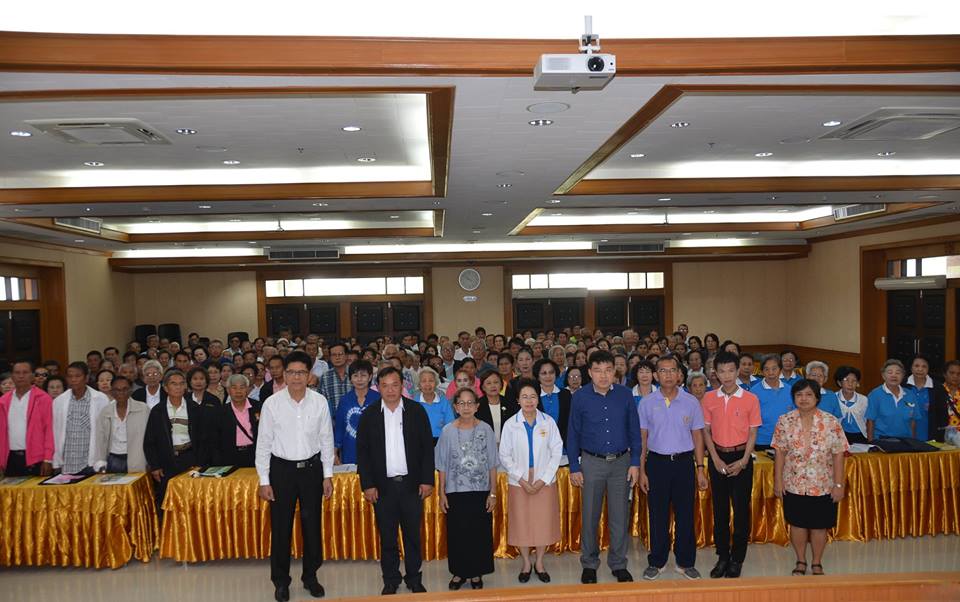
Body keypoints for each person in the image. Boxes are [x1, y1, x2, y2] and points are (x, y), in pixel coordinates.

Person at [255, 350, 335, 602]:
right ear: (283, 374)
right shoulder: (272, 404)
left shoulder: (319, 402)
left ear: (309, 375)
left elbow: (326, 439)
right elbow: (263, 444)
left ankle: (310, 577)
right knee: (281, 528)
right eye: (291, 372)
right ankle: (281, 581)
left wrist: (327, 475)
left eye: (301, 372)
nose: (296, 377)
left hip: (311, 471)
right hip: (282, 472)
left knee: (312, 527)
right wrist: (264, 480)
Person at [356, 366, 435, 595]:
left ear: (402, 386)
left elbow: (426, 449)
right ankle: (390, 579)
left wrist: (427, 480)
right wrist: (368, 484)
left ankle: (414, 578)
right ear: (378, 388)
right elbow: (363, 453)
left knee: (412, 536)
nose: (390, 390)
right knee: (388, 537)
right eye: (385, 385)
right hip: (383, 488)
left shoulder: (416, 411)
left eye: (395, 385)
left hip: (411, 485)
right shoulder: (369, 415)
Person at [567, 350, 642, 584]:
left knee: (620, 516)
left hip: (621, 463)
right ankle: (589, 564)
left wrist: (635, 462)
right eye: (598, 370)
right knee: (590, 515)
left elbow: (634, 431)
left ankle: (618, 564)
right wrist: (574, 466)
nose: (603, 375)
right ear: (589, 372)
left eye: (608, 370)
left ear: (614, 372)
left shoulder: (625, 394)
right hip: (591, 463)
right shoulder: (580, 397)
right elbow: (573, 433)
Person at [638, 355, 709, 581]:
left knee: (685, 514)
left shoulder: (691, 402)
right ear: (656, 375)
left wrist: (700, 468)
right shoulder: (646, 402)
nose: (668, 375)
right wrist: (642, 471)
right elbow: (642, 439)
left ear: (679, 374)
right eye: (663, 370)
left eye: (672, 370)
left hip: (683, 463)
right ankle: (657, 561)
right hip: (656, 464)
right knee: (657, 515)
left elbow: (697, 436)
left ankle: (685, 562)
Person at [773, 379, 848, 576]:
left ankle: (816, 562)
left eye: (808, 395)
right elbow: (780, 452)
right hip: (794, 483)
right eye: (799, 395)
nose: (803, 399)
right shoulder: (784, 421)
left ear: (817, 398)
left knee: (819, 526)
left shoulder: (830, 422)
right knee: (797, 524)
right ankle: (800, 560)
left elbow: (838, 454)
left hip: (823, 484)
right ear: (793, 398)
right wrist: (778, 481)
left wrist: (839, 485)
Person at [700, 352, 761, 579]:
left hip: (741, 457)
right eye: (722, 371)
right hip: (718, 457)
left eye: (731, 371)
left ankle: (737, 558)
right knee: (720, 510)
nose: (726, 375)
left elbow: (753, 432)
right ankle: (723, 556)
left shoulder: (750, 399)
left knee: (741, 510)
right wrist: (714, 459)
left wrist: (744, 461)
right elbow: (706, 431)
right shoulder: (709, 398)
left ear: (738, 371)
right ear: (715, 373)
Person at [499, 378, 563, 585]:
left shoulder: (548, 422)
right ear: (518, 400)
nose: (529, 401)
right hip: (519, 481)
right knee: (522, 523)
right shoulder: (511, 424)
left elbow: (557, 451)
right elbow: (504, 455)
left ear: (538, 398)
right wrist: (522, 479)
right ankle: (526, 563)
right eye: (524, 397)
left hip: (544, 480)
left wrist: (543, 479)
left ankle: (540, 563)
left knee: (543, 522)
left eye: (533, 396)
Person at [435, 387, 498, 590]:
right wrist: (441, 493)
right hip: (455, 491)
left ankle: (477, 572)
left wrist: (493, 493)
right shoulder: (447, 431)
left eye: (470, 402)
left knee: (479, 533)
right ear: (455, 407)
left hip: (480, 490)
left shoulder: (486, 429)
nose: (466, 407)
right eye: (461, 403)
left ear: (477, 406)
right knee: (458, 534)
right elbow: (442, 464)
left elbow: (492, 463)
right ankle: (459, 572)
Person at [143, 370, 206, 511]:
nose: (178, 387)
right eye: (173, 384)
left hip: (190, 458)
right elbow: (150, 441)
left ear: (185, 387)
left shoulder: (194, 408)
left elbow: (203, 438)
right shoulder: (157, 411)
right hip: (166, 461)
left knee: (192, 500)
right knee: (168, 502)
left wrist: (200, 463)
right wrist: (155, 466)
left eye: (181, 383)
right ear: (165, 388)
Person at [53, 362, 110, 474]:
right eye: (70, 376)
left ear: (86, 378)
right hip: (67, 461)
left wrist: (102, 459)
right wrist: (55, 460)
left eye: (77, 376)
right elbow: (55, 431)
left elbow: (106, 432)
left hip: (91, 461)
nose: (73, 380)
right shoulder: (59, 401)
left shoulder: (101, 399)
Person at [0, 361, 54, 476]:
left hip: (36, 459)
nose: (21, 376)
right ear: (12, 376)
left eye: (25, 372)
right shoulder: (3, 401)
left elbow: (49, 430)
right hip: (10, 459)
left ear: (32, 376)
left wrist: (48, 459)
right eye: (17, 373)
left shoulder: (43, 398)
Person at [92, 375, 148, 473]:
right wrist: (100, 461)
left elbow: (151, 437)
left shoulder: (143, 409)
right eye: (117, 390)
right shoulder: (105, 412)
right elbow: (101, 439)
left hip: (138, 458)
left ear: (130, 390)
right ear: (112, 392)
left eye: (125, 389)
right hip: (114, 459)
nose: (121, 393)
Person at [334, 360, 379, 465]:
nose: (359, 379)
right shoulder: (344, 400)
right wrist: (334, 451)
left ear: (370, 377)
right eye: (355, 376)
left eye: (363, 375)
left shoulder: (378, 399)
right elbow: (339, 428)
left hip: (375, 452)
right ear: (350, 378)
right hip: (350, 452)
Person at [213, 374, 260, 467]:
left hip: (254, 454)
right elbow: (216, 440)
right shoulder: (221, 412)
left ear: (247, 389)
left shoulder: (258, 407)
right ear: (228, 390)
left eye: (242, 387)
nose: (238, 391)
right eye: (234, 388)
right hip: (230, 456)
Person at [866, 359, 917, 440]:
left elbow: (913, 421)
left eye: (898, 373)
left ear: (903, 376)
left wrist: (913, 442)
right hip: (882, 440)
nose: (894, 375)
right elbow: (870, 421)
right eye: (890, 372)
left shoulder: (910, 395)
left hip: (906, 441)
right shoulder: (875, 394)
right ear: (883, 375)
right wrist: (870, 443)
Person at [753, 355, 794, 450]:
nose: (770, 372)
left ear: (780, 370)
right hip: (762, 440)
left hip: (786, 440)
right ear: (762, 371)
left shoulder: (790, 390)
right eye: (766, 369)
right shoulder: (754, 392)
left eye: (774, 368)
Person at [819, 366, 869, 443]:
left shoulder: (863, 400)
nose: (850, 384)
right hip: (839, 435)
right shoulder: (833, 397)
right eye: (846, 380)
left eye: (854, 381)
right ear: (839, 383)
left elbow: (867, 420)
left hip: (860, 435)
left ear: (857, 383)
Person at [533, 358, 571, 450]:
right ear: (538, 376)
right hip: (539, 448)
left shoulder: (565, 394)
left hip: (563, 448)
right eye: (544, 373)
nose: (548, 376)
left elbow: (570, 423)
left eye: (551, 372)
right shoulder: (533, 396)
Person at [476, 370, 518, 445]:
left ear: (501, 385)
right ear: (483, 387)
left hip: (507, 445)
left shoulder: (510, 404)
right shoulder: (477, 406)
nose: (493, 386)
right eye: (488, 383)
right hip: (484, 446)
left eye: (496, 382)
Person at [415, 367, 455, 444]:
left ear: (436, 383)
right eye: (423, 381)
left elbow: (450, 424)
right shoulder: (414, 403)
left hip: (441, 440)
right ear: (419, 385)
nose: (427, 384)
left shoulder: (443, 401)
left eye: (431, 380)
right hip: (419, 440)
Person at [904, 355, 934, 441]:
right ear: (911, 368)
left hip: (930, 435)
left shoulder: (937, 388)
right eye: (916, 366)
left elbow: (942, 415)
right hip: (905, 435)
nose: (920, 369)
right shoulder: (902, 385)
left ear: (928, 369)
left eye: (924, 366)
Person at [319, 343, 350, 417]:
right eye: (334, 355)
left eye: (340, 354)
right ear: (330, 357)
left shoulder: (355, 373)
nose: (337, 357)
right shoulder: (325, 377)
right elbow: (321, 401)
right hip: (333, 420)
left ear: (346, 356)